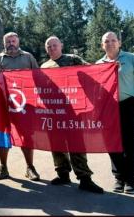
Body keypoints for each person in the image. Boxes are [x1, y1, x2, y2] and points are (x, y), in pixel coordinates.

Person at [41, 36, 104, 194]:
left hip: (73, 109)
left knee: (76, 143)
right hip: (54, 110)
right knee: (57, 143)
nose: (52, 48)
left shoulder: (73, 59)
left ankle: (84, 178)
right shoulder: (44, 66)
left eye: (55, 45)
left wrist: (108, 67)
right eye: (49, 46)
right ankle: (63, 174)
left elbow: (91, 72)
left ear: (61, 45)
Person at [97, 31, 134, 194]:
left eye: (113, 40)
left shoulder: (132, 58)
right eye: (107, 41)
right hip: (108, 107)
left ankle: (131, 180)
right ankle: (119, 178)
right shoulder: (98, 64)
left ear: (119, 43)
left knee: (130, 144)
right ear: (102, 45)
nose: (110, 43)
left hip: (128, 104)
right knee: (112, 143)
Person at [0, 32, 41, 181]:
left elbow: (38, 77)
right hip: (3, 103)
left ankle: (30, 167)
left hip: (25, 103)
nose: (11, 43)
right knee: (3, 134)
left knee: (27, 135)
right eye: (8, 41)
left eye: (13, 41)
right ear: (4, 43)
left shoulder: (28, 57)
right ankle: (3, 167)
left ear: (18, 42)